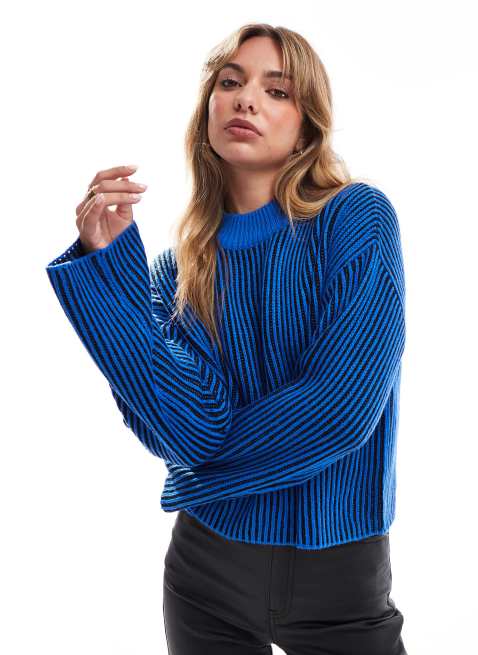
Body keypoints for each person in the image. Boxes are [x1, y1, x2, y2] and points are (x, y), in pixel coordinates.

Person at [45, 22, 408, 655]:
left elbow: (340, 410)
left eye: (277, 91)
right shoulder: (175, 273)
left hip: (341, 582)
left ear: (308, 126)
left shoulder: (355, 218)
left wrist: (197, 477)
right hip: (204, 576)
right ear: (208, 107)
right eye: (230, 82)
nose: (246, 100)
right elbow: (186, 430)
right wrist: (108, 274)